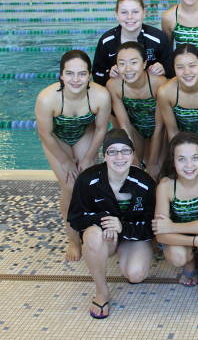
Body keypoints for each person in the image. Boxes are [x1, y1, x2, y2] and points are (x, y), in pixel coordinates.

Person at [67, 129, 156, 319]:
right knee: (93, 236)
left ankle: (126, 256)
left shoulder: (145, 184)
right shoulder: (88, 180)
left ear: (132, 155)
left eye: (125, 151)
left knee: (136, 275)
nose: (119, 157)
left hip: (132, 236)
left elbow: (152, 227)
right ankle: (101, 292)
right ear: (105, 156)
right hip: (106, 238)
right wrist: (104, 221)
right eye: (113, 152)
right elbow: (75, 218)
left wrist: (122, 227)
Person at [35, 50, 111, 261]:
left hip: (84, 135)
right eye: (70, 73)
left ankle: (91, 229)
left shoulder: (100, 95)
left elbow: (101, 129)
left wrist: (88, 157)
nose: (76, 79)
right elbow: (45, 134)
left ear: (89, 75)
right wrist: (65, 161)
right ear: (61, 75)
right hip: (56, 138)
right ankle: (73, 239)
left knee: (88, 184)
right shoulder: (47, 98)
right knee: (69, 186)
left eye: (82, 74)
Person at [152, 132, 198, 304]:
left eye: (195, 158)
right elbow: (161, 235)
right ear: (173, 161)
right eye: (182, 159)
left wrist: (171, 227)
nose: (189, 165)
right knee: (177, 256)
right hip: (181, 238)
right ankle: (190, 261)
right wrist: (195, 241)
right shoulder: (166, 186)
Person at [107, 41, 167, 179]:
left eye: (133, 62)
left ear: (144, 63)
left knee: (157, 170)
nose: (128, 69)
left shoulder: (159, 83)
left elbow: (160, 126)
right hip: (136, 130)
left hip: (160, 131)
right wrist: (131, 155)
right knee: (134, 168)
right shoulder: (114, 85)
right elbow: (125, 124)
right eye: (122, 63)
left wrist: (153, 162)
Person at [157, 44, 198, 154]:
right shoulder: (165, 92)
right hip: (179, 137)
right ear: (174, 69)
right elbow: (172, 131)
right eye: (180, 67)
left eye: (192, 66)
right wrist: (180, 154)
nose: (187, 72)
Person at [93, 0, 171, 86]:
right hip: (118, 91)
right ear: (116, 15)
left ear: (144, 13)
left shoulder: (158, 38)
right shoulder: (107, 41)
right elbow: (96, 74)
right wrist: (108, 74)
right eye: (124, 12)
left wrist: (163, 69)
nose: (130, 17)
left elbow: (172, 70)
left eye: (135, 12)